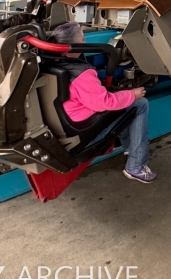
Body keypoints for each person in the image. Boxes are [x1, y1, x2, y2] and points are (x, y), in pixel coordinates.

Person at [52, 22, 156, 183]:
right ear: (71, 46)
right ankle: (136, 166)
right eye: (82, 40)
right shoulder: (82, 74)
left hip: (67, 123)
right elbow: (105, 103)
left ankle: (129, 146)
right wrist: (133, 94)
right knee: (140, 103)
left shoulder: (54, 64)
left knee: (122, 101)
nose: (85, 43)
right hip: (86, 131)